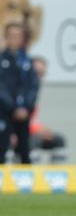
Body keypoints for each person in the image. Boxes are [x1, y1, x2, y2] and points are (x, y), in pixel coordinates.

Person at [0, 23, 39, 164]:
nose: (15, 39)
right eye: (12, 36)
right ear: (6, 38)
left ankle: (25, 182)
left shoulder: (27, 61)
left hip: (24, 114)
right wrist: (12, 108)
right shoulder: (1, 60)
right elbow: (1, 88)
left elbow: (33, 87)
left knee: (24, 150)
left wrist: (26, 107)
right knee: (2, 148)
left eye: (18, 36)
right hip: (5, 113)